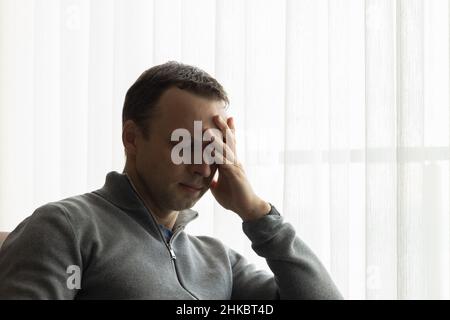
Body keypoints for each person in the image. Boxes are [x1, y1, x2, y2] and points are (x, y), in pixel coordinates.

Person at [0, 61, 342, 299]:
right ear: (132, 138)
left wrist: (256, 212)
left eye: (212, 148)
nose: (203, 166)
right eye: (186, 146)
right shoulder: (65, 227)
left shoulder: (217, 261)